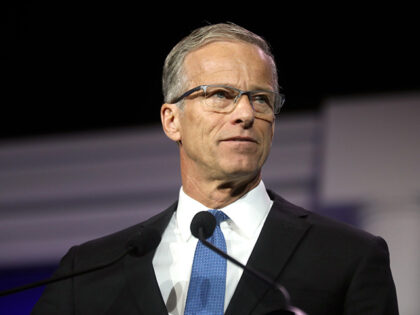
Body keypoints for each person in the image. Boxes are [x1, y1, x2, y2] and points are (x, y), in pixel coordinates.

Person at [32, 22, 399, 315]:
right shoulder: (90, 268)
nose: (245, 114)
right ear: (172, 120)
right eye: (220, 95)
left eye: (261, 98)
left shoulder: (349, 256)